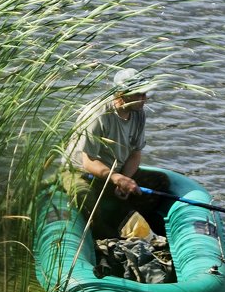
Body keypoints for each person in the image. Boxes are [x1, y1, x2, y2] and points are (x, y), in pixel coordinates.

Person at [61, 69, 170, 239]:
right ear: (121, 93)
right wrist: (117, 179)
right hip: (82, 172)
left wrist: (124, 179)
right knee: (82, 195)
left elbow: (135, 154)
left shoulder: (138, 113)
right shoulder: (98, 114)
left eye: (145, 93)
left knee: (161, 182)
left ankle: (132, 219)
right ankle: (107, 237)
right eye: (139, 94)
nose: (144, 98)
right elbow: (88, 162)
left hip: (116, 172)